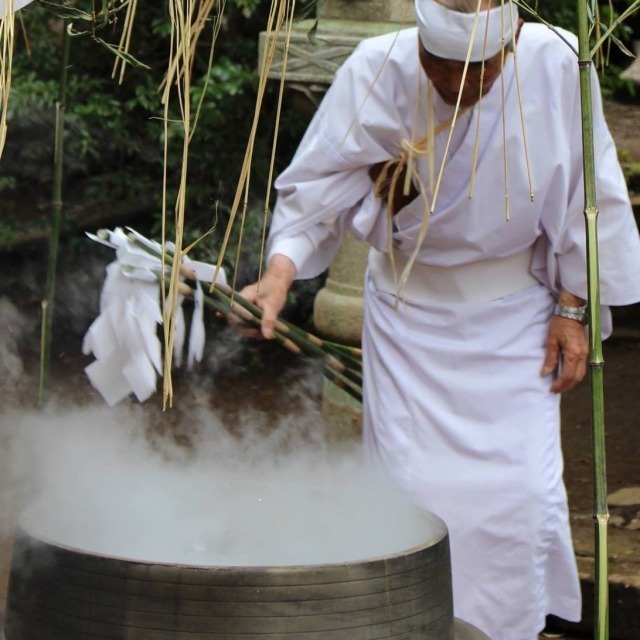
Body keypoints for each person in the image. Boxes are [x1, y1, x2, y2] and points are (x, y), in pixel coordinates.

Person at [238, 1, 640, 638]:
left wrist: (573, 307)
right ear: (420, 45)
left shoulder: (561, 62)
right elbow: (313, 188)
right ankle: (412, 626)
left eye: (477, 71)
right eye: (442, 66)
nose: (457, 84)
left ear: (508, 48)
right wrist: (280, 276)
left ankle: (508, 627)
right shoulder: (377, 67)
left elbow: (591, 199)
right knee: (413, 498)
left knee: (520, 498)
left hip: (516, 324)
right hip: (409, 325)